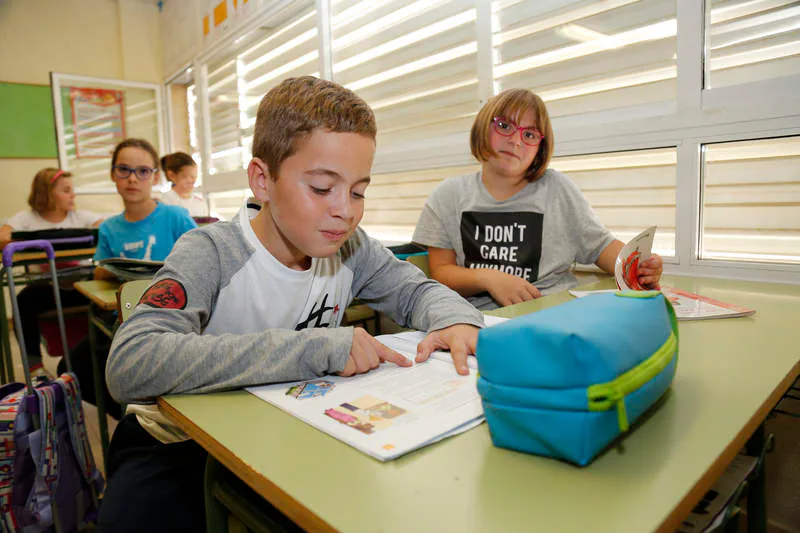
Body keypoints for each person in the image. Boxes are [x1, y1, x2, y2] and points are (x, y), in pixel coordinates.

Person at [97, 76, 484, 533]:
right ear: (263, 180)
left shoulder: (350, 247)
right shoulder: (211, 252)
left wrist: (458, 320)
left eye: (358, 190)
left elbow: (416, 290)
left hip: (286, 433)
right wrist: (314, 349)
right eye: (322, 188)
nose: (346, 210)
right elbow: (130, 363)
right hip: (174, 444)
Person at [412, 88, 663, 310]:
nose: (515, 140)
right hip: (481, 320)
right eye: (504, 126)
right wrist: (488, 277)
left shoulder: (558, 189)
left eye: (529, 134)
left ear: (540, 147)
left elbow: (602, 248)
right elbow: (441, 273)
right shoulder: (448, 196)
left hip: (553, 312)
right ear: (483, 128)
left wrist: (639, 266)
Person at [59, 138, 197, 419]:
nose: (133, 178)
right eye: (124, 170)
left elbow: (204, 258)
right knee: (71, 367)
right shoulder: (109, 227)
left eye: (143, 171)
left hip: (176, 313)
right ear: (113, 175)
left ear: (155, 177)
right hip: (123, 316)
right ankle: (130, 416)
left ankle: (149, 413)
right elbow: (100, 271)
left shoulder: (175, 216)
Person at [0, 168, 103, 374]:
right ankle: (34, 366)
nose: (73, 195)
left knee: (103, 294)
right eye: (66, 190)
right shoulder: (28, 219)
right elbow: (3, 238)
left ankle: (101, 354)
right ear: (46, 193)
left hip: (81, 287)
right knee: (23, 300)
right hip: (47, 289)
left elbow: (106, 229)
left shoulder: (80, 216)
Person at [158, 151, 209, 217]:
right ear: (171, 175)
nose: (192, 181)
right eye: (186, 176)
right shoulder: (164, 201)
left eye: (194, 176)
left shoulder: (200, 202)